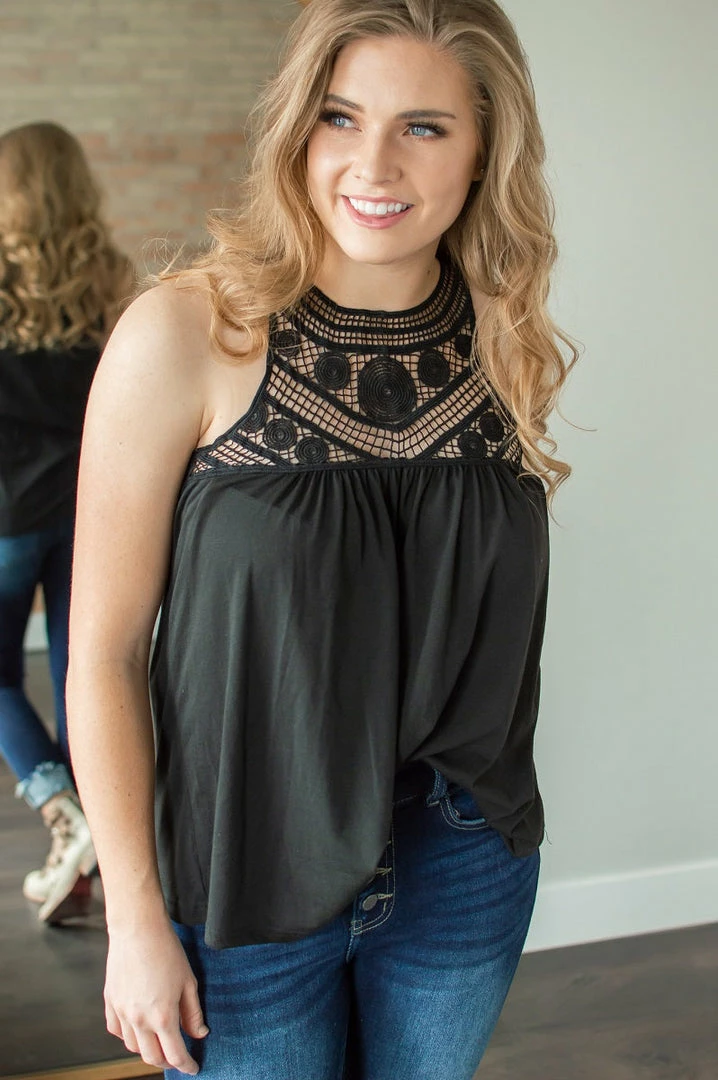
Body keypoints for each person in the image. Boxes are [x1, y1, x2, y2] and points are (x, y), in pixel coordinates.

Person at [68, 0, 577, 1076]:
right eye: (340, 117)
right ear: (297, 127)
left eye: (424, 126)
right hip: (241, 871)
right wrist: (133, 917)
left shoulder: (506, 338)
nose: (373, 163)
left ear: (485, 150)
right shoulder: (184, 334)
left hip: (461, 861)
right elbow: (102, 654)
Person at [0, 121, 133, 923]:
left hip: (8, 516)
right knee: (82, 677)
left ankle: (62, 811)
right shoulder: (109, 280)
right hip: (89, 510)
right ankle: (93, 854)